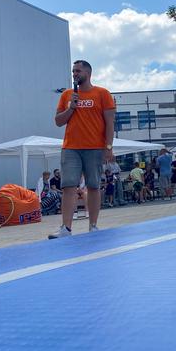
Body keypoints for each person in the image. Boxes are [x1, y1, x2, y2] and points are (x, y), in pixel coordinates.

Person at [49, 60, 115, 238]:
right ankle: (66, 228)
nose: (74, 74)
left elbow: (110, 123)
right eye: (73, 72)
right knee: (68, 186)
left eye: (78, 71)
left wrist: (108, 147)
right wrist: (71, 107)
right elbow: (58, 122)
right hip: (71, 148)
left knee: (93, 186)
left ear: (88, 73)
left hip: (94, 148)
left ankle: (93, 225)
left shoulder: (102, 94)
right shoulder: (67, 95)